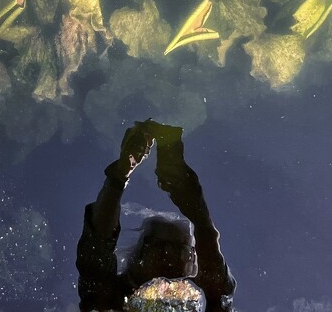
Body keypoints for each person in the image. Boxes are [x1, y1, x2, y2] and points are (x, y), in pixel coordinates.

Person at [76, 120, 236, 311]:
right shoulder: (112, 298)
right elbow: (96, 249)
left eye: (179, 250)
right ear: (141, 254)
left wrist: (121, 175)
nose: (168, 257)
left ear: (193, 260)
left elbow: (208, 240)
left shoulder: (207, 298)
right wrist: (119, 175)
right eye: (161, 247)